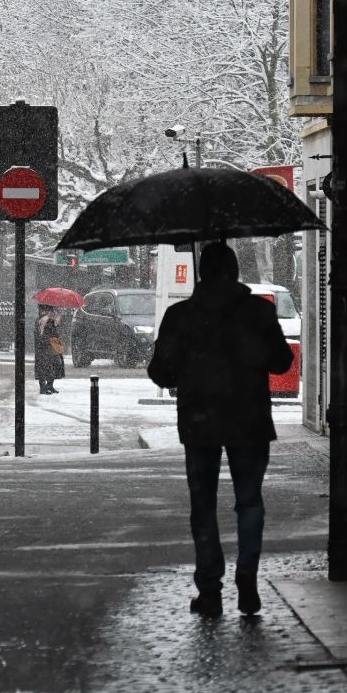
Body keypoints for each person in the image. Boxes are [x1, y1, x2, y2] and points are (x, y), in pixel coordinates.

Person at [147, 242, 292, 617]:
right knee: (250, 500)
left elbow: (159, 371)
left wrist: (188, 371)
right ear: (236, 273)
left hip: (200, 421)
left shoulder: (182, 315)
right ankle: (248, 571)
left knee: (203, 505)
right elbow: (281, 361)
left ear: (201, 274)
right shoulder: (259, 312)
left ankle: (210, 588)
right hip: (249, 418)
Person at [35, 306, 64, 394]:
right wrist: (48, 340)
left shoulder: (51, 320)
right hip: (44, 347)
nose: (54, 312)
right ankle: (43, 388)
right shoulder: (43, 320)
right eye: (52, 311)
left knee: (54, 365)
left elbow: (53, 332)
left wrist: (55, 324)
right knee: (44, 367)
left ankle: (49, 385)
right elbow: (40, 334)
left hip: (50, 346)